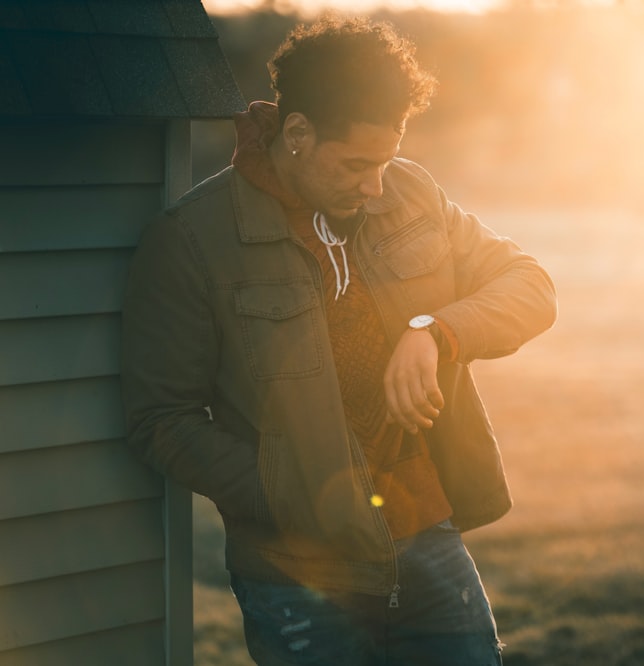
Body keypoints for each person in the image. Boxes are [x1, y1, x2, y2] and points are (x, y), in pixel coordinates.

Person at [120, 15, 556, 666]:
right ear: (297, 134)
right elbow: (162, 420)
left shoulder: (412, 193)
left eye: (386, 160)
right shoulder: (190, 241)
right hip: (295, 572)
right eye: (357, 164)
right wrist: (291, 495)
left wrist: (434, 333)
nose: (377, 185)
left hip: (428, 542)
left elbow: (529, 285)